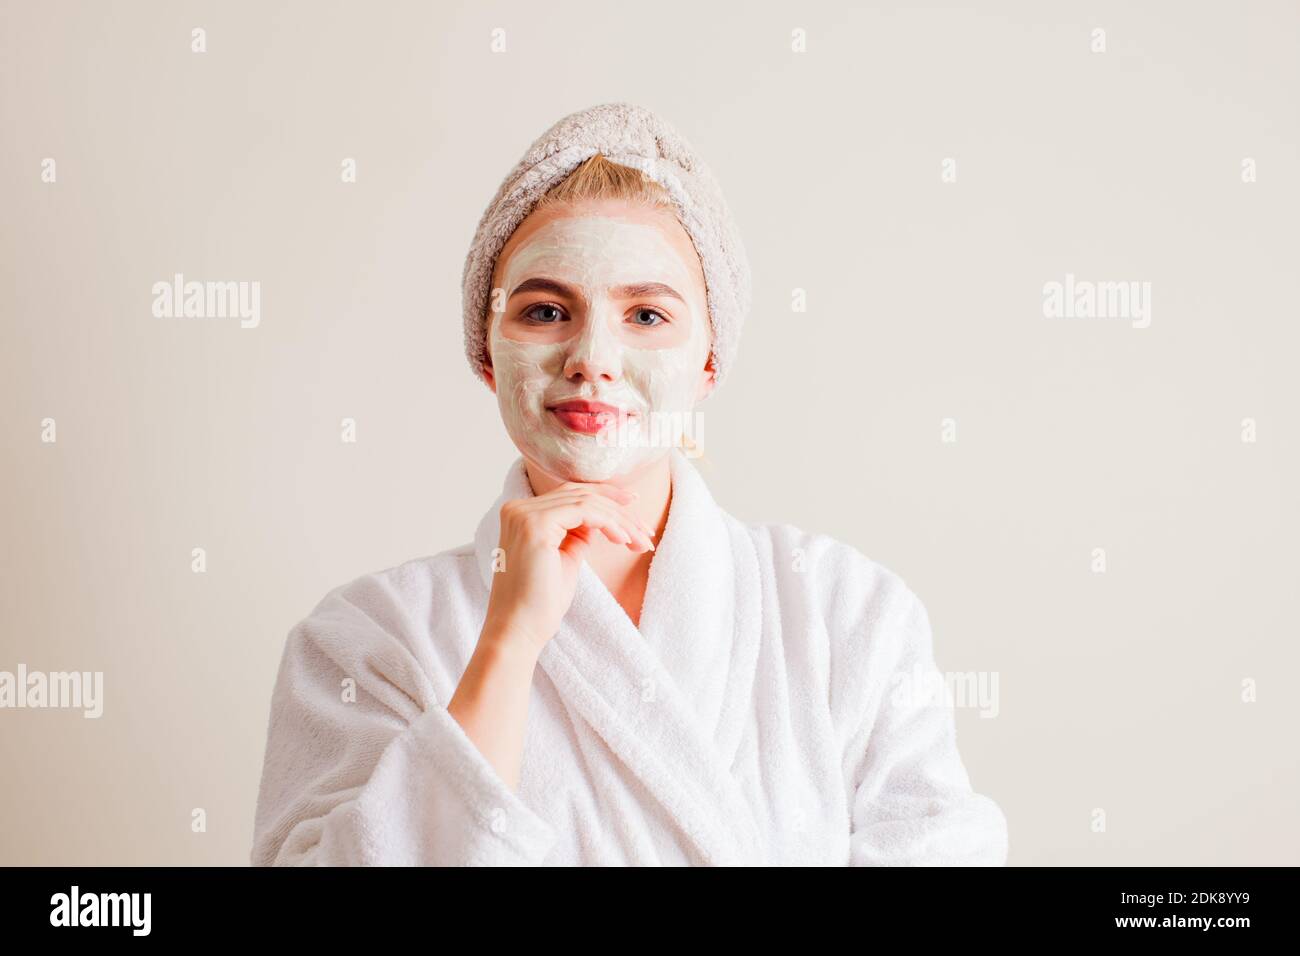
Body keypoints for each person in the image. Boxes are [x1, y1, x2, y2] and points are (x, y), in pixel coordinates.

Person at [250, 102, 1009, 866]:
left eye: (646, 314)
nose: (593, 358)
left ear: (710, 360)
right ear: (486, 351)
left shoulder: (845, 611)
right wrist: (507, 647)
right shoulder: (366, 641)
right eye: (546, 310)